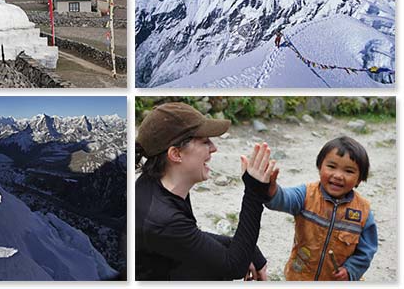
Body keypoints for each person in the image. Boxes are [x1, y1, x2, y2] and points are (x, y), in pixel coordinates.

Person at [135, 102, 277, 281]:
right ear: (176, 154)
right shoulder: (162, 219)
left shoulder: (154, 183)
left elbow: (188, 238)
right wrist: (254, 192)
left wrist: (247, 249)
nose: (214, 148)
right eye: (204, 141)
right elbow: (233, 267)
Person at [266, 136, 378, 281]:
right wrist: (272, 189)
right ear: (320, 167)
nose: (338, 175)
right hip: (301, 277)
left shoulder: (363, 211)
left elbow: (367, 250)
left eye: (349, 171)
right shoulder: (306, 194)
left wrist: (351, 270)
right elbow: (284, 199)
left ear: (359, 178)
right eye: (331, 167)